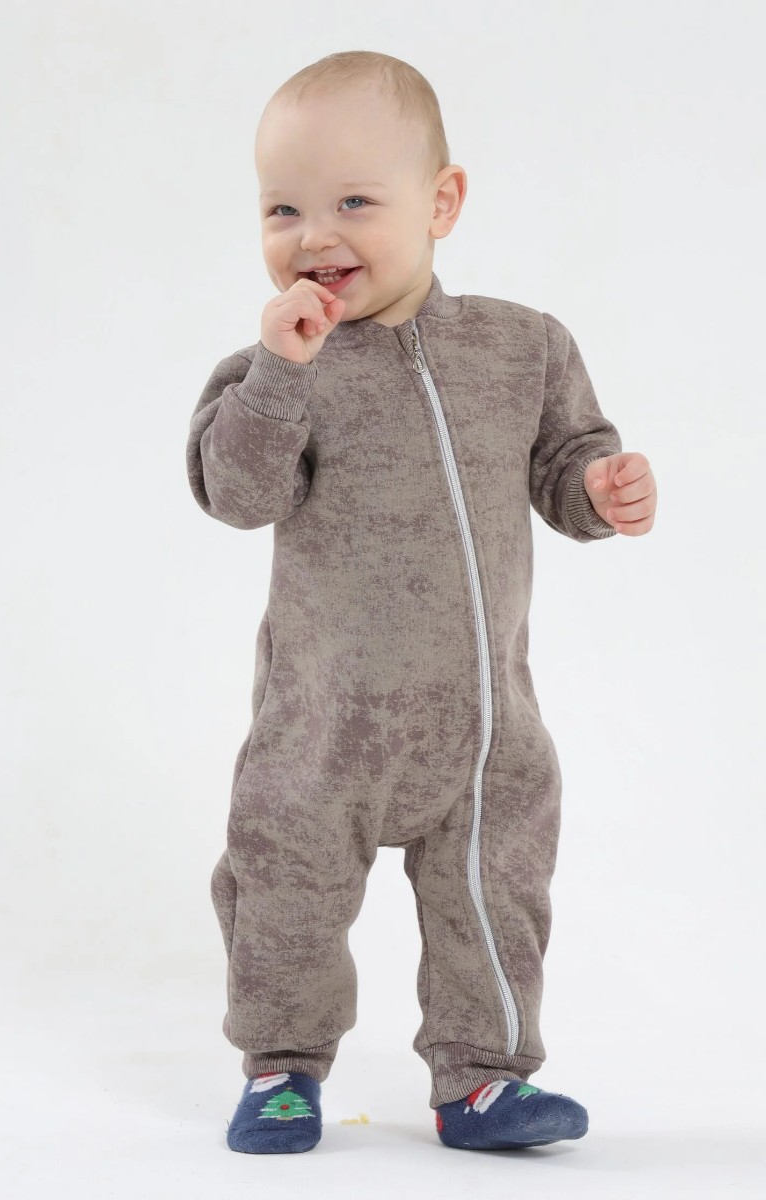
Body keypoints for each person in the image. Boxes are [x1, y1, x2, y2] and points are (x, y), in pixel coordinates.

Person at [185, 50, 657, 1156]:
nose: (315, 235)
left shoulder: (521, 346)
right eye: (283, 209)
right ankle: (281, 1068)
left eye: (354, 202)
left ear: (441, 203)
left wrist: (598, 489)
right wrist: (279, 374)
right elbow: (236, 493)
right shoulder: (272, 371)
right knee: (287, 891)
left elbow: (565, 462)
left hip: (484, 728)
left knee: (495, 897)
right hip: (323, 730)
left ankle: (482, 1079)